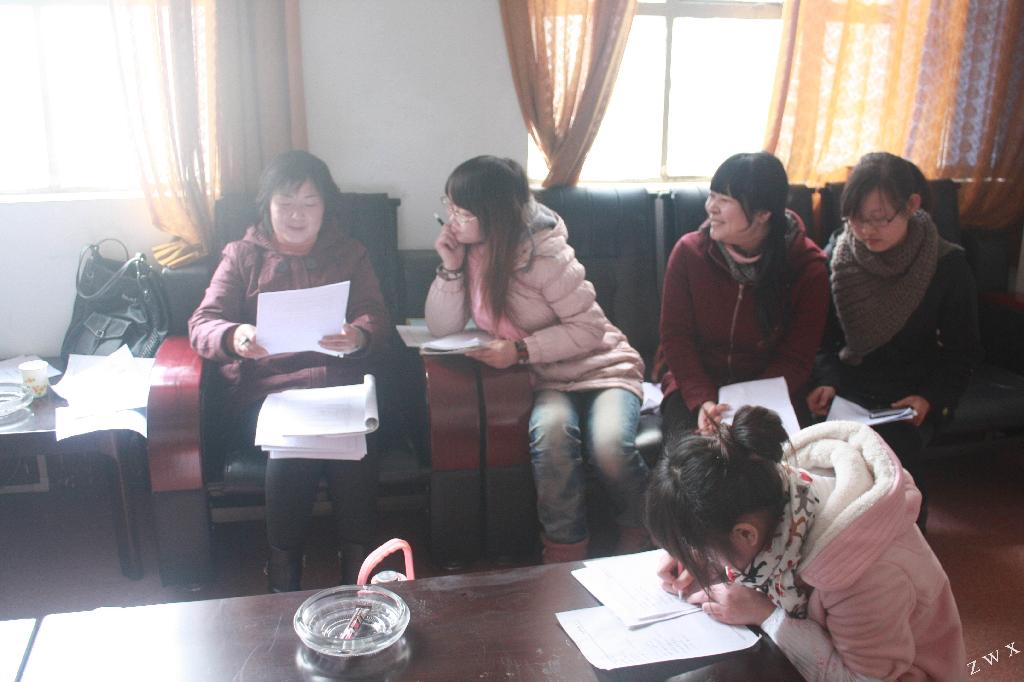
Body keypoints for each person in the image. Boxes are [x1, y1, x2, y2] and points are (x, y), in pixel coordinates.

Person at [425, 155, 650, 563]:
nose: (452, 221)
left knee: (609, 446)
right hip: (546, 376)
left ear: (494, 214)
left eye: (463, 213)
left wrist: (520, 350)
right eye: (449, 207)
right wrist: (450, 267)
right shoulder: (472, 251)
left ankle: (643, 525)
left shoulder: (545, 254)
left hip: (602, 368)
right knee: (551, 437)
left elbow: (590, 329)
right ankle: (565, 549)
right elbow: (441, 328)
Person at [189, 150, 391, 591]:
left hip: (339, 392)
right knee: (291, 452)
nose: (297, 215)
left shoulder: (350, 254)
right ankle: (283, 578)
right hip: (270, 396)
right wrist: (235, 336)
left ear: (325, 207)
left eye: (309, 203)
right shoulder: (242, 256)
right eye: (286, 203)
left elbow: (375, 314)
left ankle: (358, 579)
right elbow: (203, 322)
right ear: (267, 205)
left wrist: (359, 335)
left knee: (355, 450)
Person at [646, 406, 966, 680]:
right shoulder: (771, 488)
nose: (701, 556)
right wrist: (692, 554)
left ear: (745, 535)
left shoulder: (869, 575)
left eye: (702, 548)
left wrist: (765, 614)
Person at [807, 152, 982, 528]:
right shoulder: (837, 256)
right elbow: (823, 338)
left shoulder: (946, 265)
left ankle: (906, 544)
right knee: (818, 458)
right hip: (849, 389)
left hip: (910, 394)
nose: (866, 230)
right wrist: (827, 381)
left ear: (912, 205)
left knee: (894, 462)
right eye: (856, 219)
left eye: (880, 219)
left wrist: (929, 398)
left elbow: (963, 351)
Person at [658, 152, 828, 440]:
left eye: (724, 200)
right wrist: (703, 400)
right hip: (695, 386)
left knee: (772, 459)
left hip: (769, 394)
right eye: (711, 196)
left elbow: (797, 357)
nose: (711, 208)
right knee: (692, 457)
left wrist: (747, 407)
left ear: (763, 214)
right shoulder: (689, 253)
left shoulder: (807, 268)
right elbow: (676, 338)